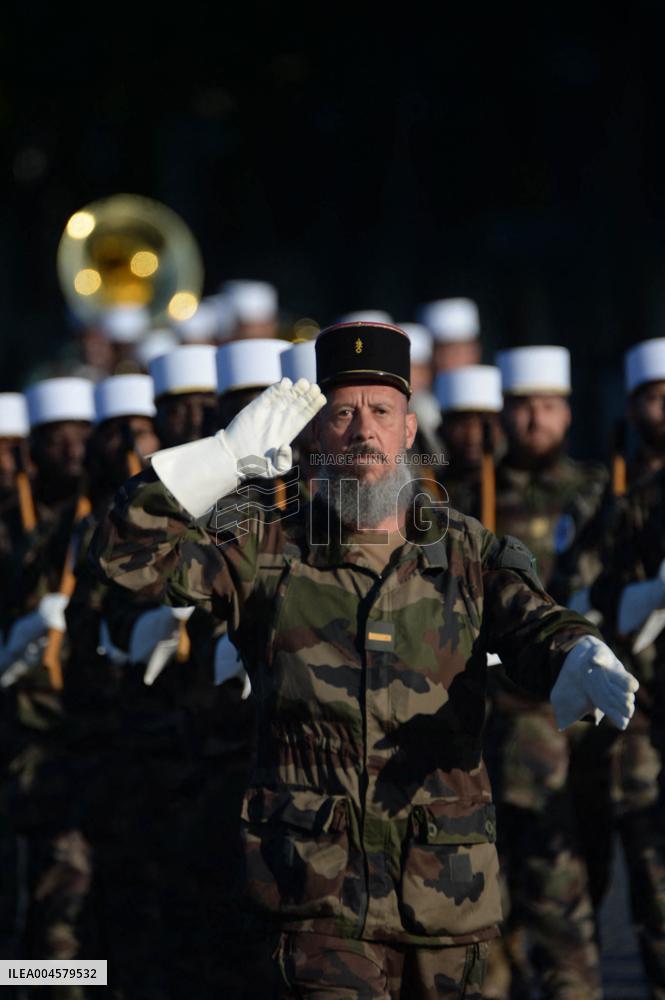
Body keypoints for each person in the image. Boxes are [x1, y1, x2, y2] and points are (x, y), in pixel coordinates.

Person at [91, 321, 637, 1000]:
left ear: (409, 431)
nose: (362, 432)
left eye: (380, 411)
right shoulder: (265, 548)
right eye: (342, 414)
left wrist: (577, 652)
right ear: (316, 433)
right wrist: (222, 457)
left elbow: (533, 620)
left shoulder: (463, 550)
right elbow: (125, 555)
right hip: (318, 899)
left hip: (443, 896)